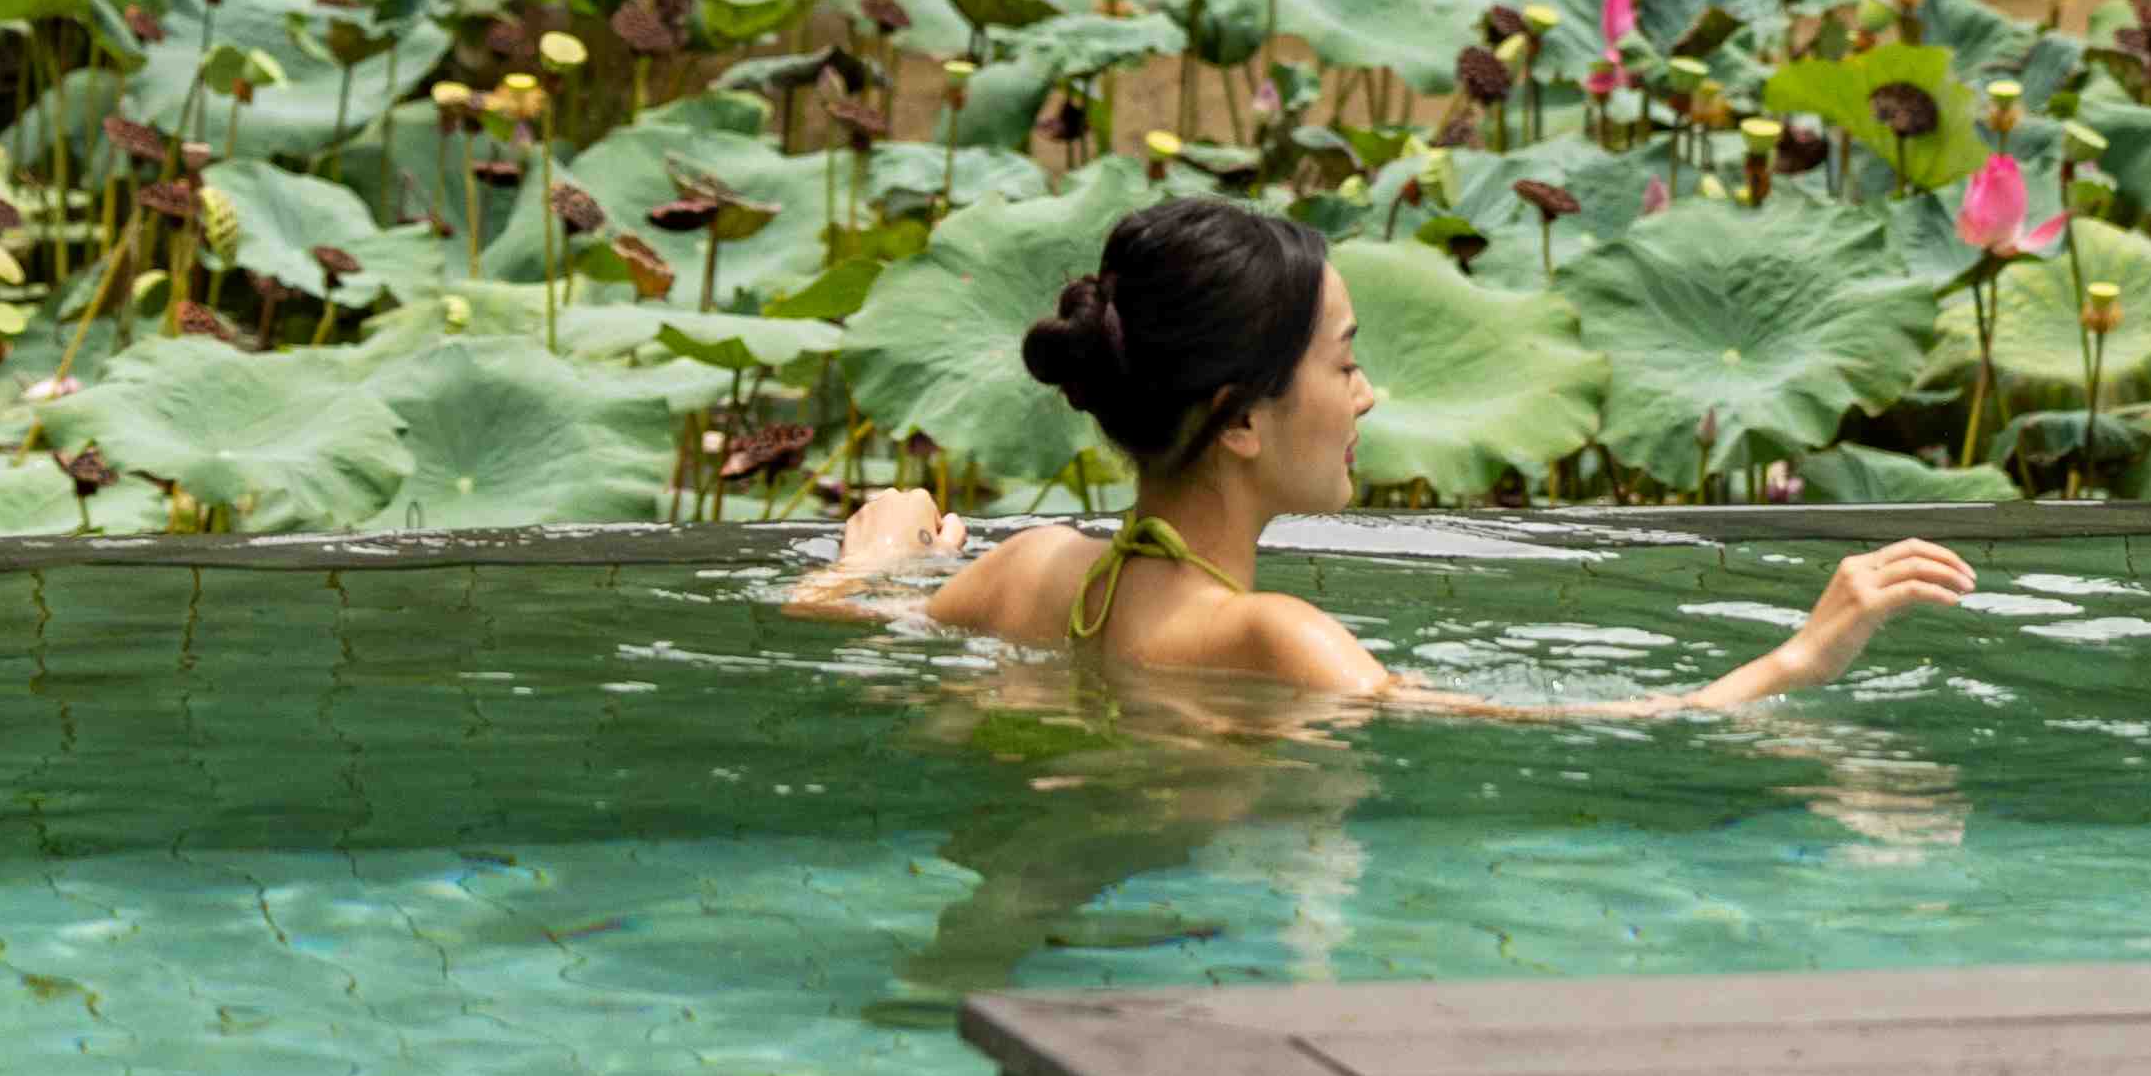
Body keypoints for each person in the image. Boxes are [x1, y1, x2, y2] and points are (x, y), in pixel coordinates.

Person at [784, 188, 1980, 710]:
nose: (1368, 395)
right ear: (1242, 418)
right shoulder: (1277, 637)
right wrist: (1800, 656)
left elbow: (827, 618)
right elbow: (1575, 729)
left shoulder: (1028, 569)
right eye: (1344, 362)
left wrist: (878, 546)